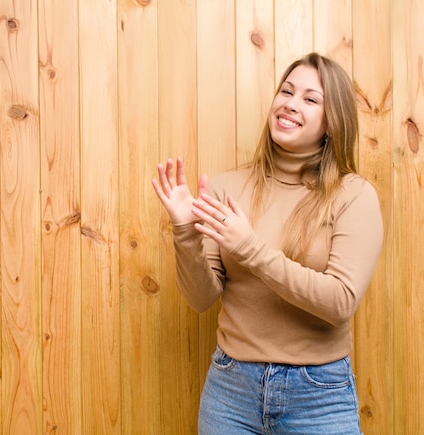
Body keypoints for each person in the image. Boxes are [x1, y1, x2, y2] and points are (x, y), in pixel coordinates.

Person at [152, 52, 383, 434]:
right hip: (231, 391)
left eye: (310, 99)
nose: (291, 103)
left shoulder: (353, 195)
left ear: (333, 121)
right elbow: (200, 297)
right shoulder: (228, 187)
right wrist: (185, 232)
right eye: (286, 91)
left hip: (319, 397)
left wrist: (249, 248)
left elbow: (340, 302)